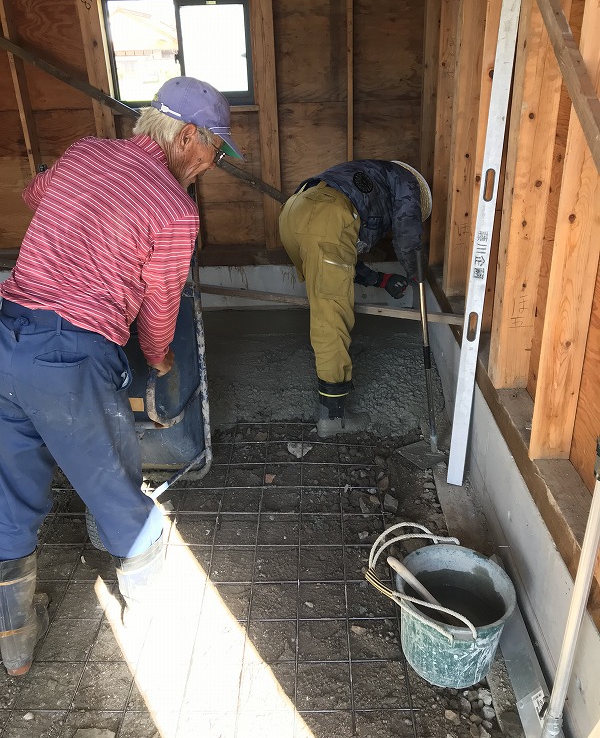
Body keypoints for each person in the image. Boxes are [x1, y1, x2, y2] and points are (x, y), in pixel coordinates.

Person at [0, 76, 243, 675]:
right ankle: (153, 626)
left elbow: (36, 193)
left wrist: (83, 217)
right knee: (116, 493)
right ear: (186, 137)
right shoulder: (174, 211)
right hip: (70, 359)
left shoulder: (84, 152)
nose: (210, 165)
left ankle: (15, 643)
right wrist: (158, 358)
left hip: (7, 338)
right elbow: (160, 310)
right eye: (214, 151)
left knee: (9, 492)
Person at [279, 159, 431, 438]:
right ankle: (332, 418)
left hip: (294, 211)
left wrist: (381, 280)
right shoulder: (406, 182)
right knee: (331, 314)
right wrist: (417, 273)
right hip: (324, 216)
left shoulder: (368, 180)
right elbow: (408, 234)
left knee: (327, 297)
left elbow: (340, 256)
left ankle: (337, 361)